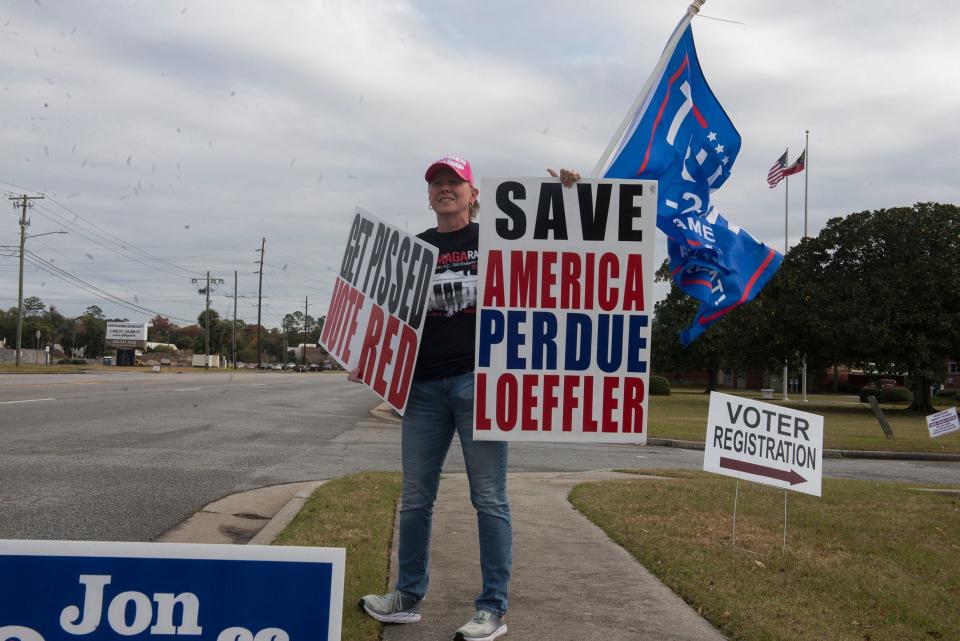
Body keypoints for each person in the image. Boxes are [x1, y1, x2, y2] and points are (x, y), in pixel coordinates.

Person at [356, 156, 580, 641]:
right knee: (416, 497)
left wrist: (569, 196)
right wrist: (364, 355)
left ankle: (491, 608)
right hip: (421, 389)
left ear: (474, 193)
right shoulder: (414, 250)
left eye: (453, 181)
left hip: (480, 384)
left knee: (489, 497)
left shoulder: (497, 239)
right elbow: (388, 314)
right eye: (436, 183)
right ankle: (407, 596)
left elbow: (561, 247)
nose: (443, 188)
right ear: (429, 195)